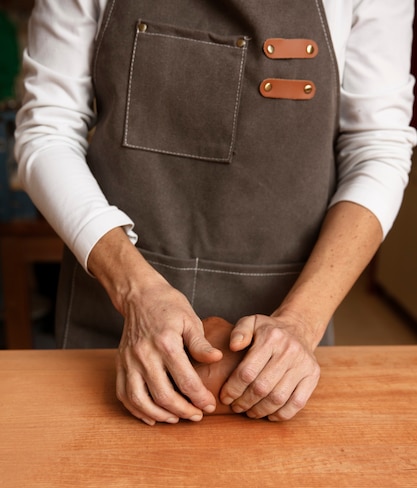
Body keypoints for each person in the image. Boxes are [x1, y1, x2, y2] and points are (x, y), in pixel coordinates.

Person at [15, 0, 416, 426]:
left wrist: (301, 321)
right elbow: (47, 129)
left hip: (282, 347)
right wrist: (135, 291)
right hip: (115, 311)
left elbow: (378, 150)